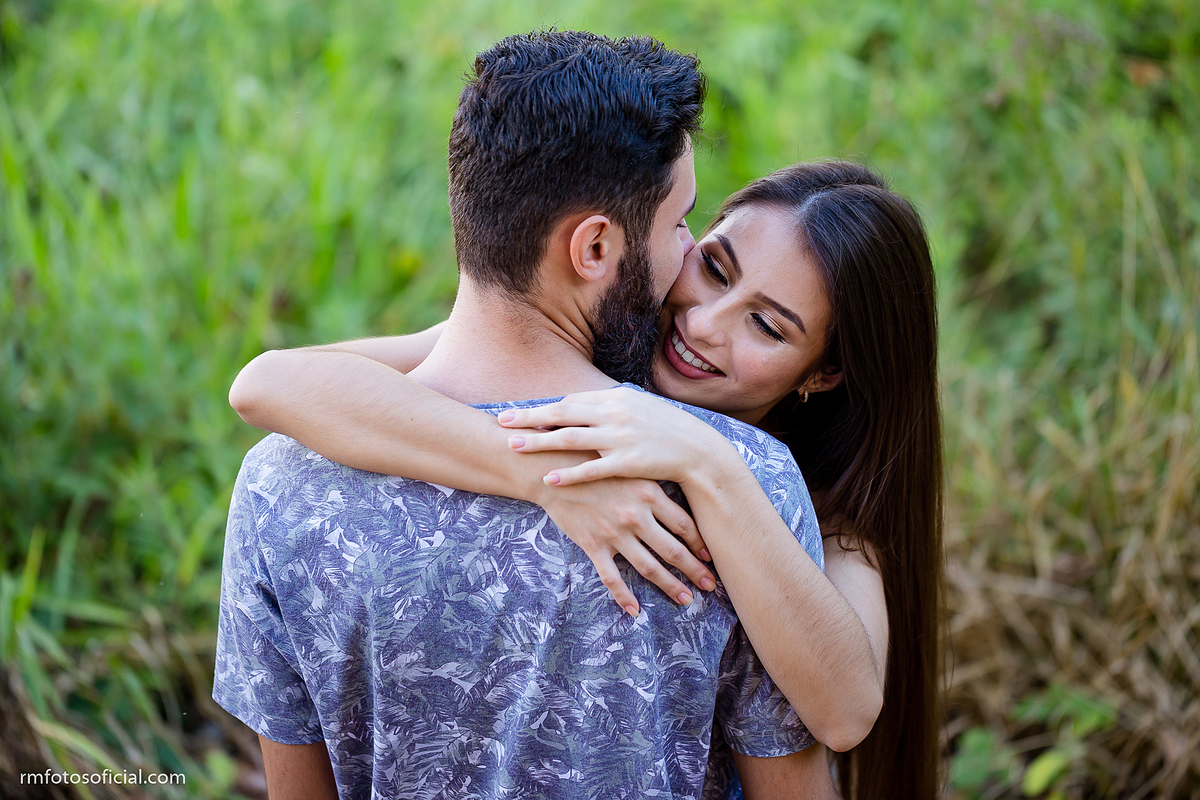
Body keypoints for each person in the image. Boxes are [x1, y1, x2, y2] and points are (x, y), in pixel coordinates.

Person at [215, 30, 836, 800]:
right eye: (680, 221)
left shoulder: (279, 484)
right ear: (595, 247)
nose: (685, 254)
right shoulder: (733, 486)